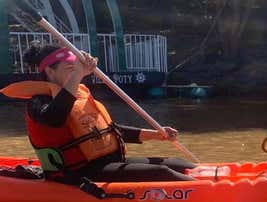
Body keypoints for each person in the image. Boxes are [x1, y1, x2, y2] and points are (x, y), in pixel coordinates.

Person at [1, 43, 195, 183]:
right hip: (79, 172)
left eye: (75, 70)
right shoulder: (38, 101)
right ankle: (210, 192)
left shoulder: (80, 95)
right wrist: (78, 73)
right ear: (50, 72)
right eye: (70, 69)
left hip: (107, 163)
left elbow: (110, 131)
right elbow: (54, 119)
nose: (75, 74)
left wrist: (157, 135)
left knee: (174, 162)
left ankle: (205, 176)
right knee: (162, 173)